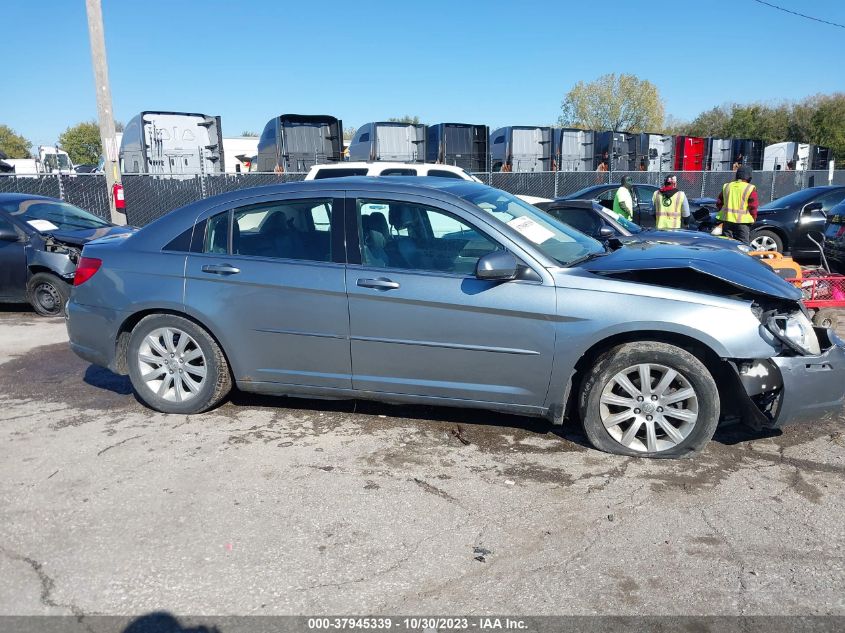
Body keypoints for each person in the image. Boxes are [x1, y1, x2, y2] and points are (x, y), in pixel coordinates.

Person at [716, 165, 758, 244]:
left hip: (727, 221)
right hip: (743, 223)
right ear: (749, 177)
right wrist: (754, 217)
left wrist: (723, 213)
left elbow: (719, 202)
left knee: (726, 244)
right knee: (743, 245)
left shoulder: (727, 186)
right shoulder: (750, 188)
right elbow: (753, 206)